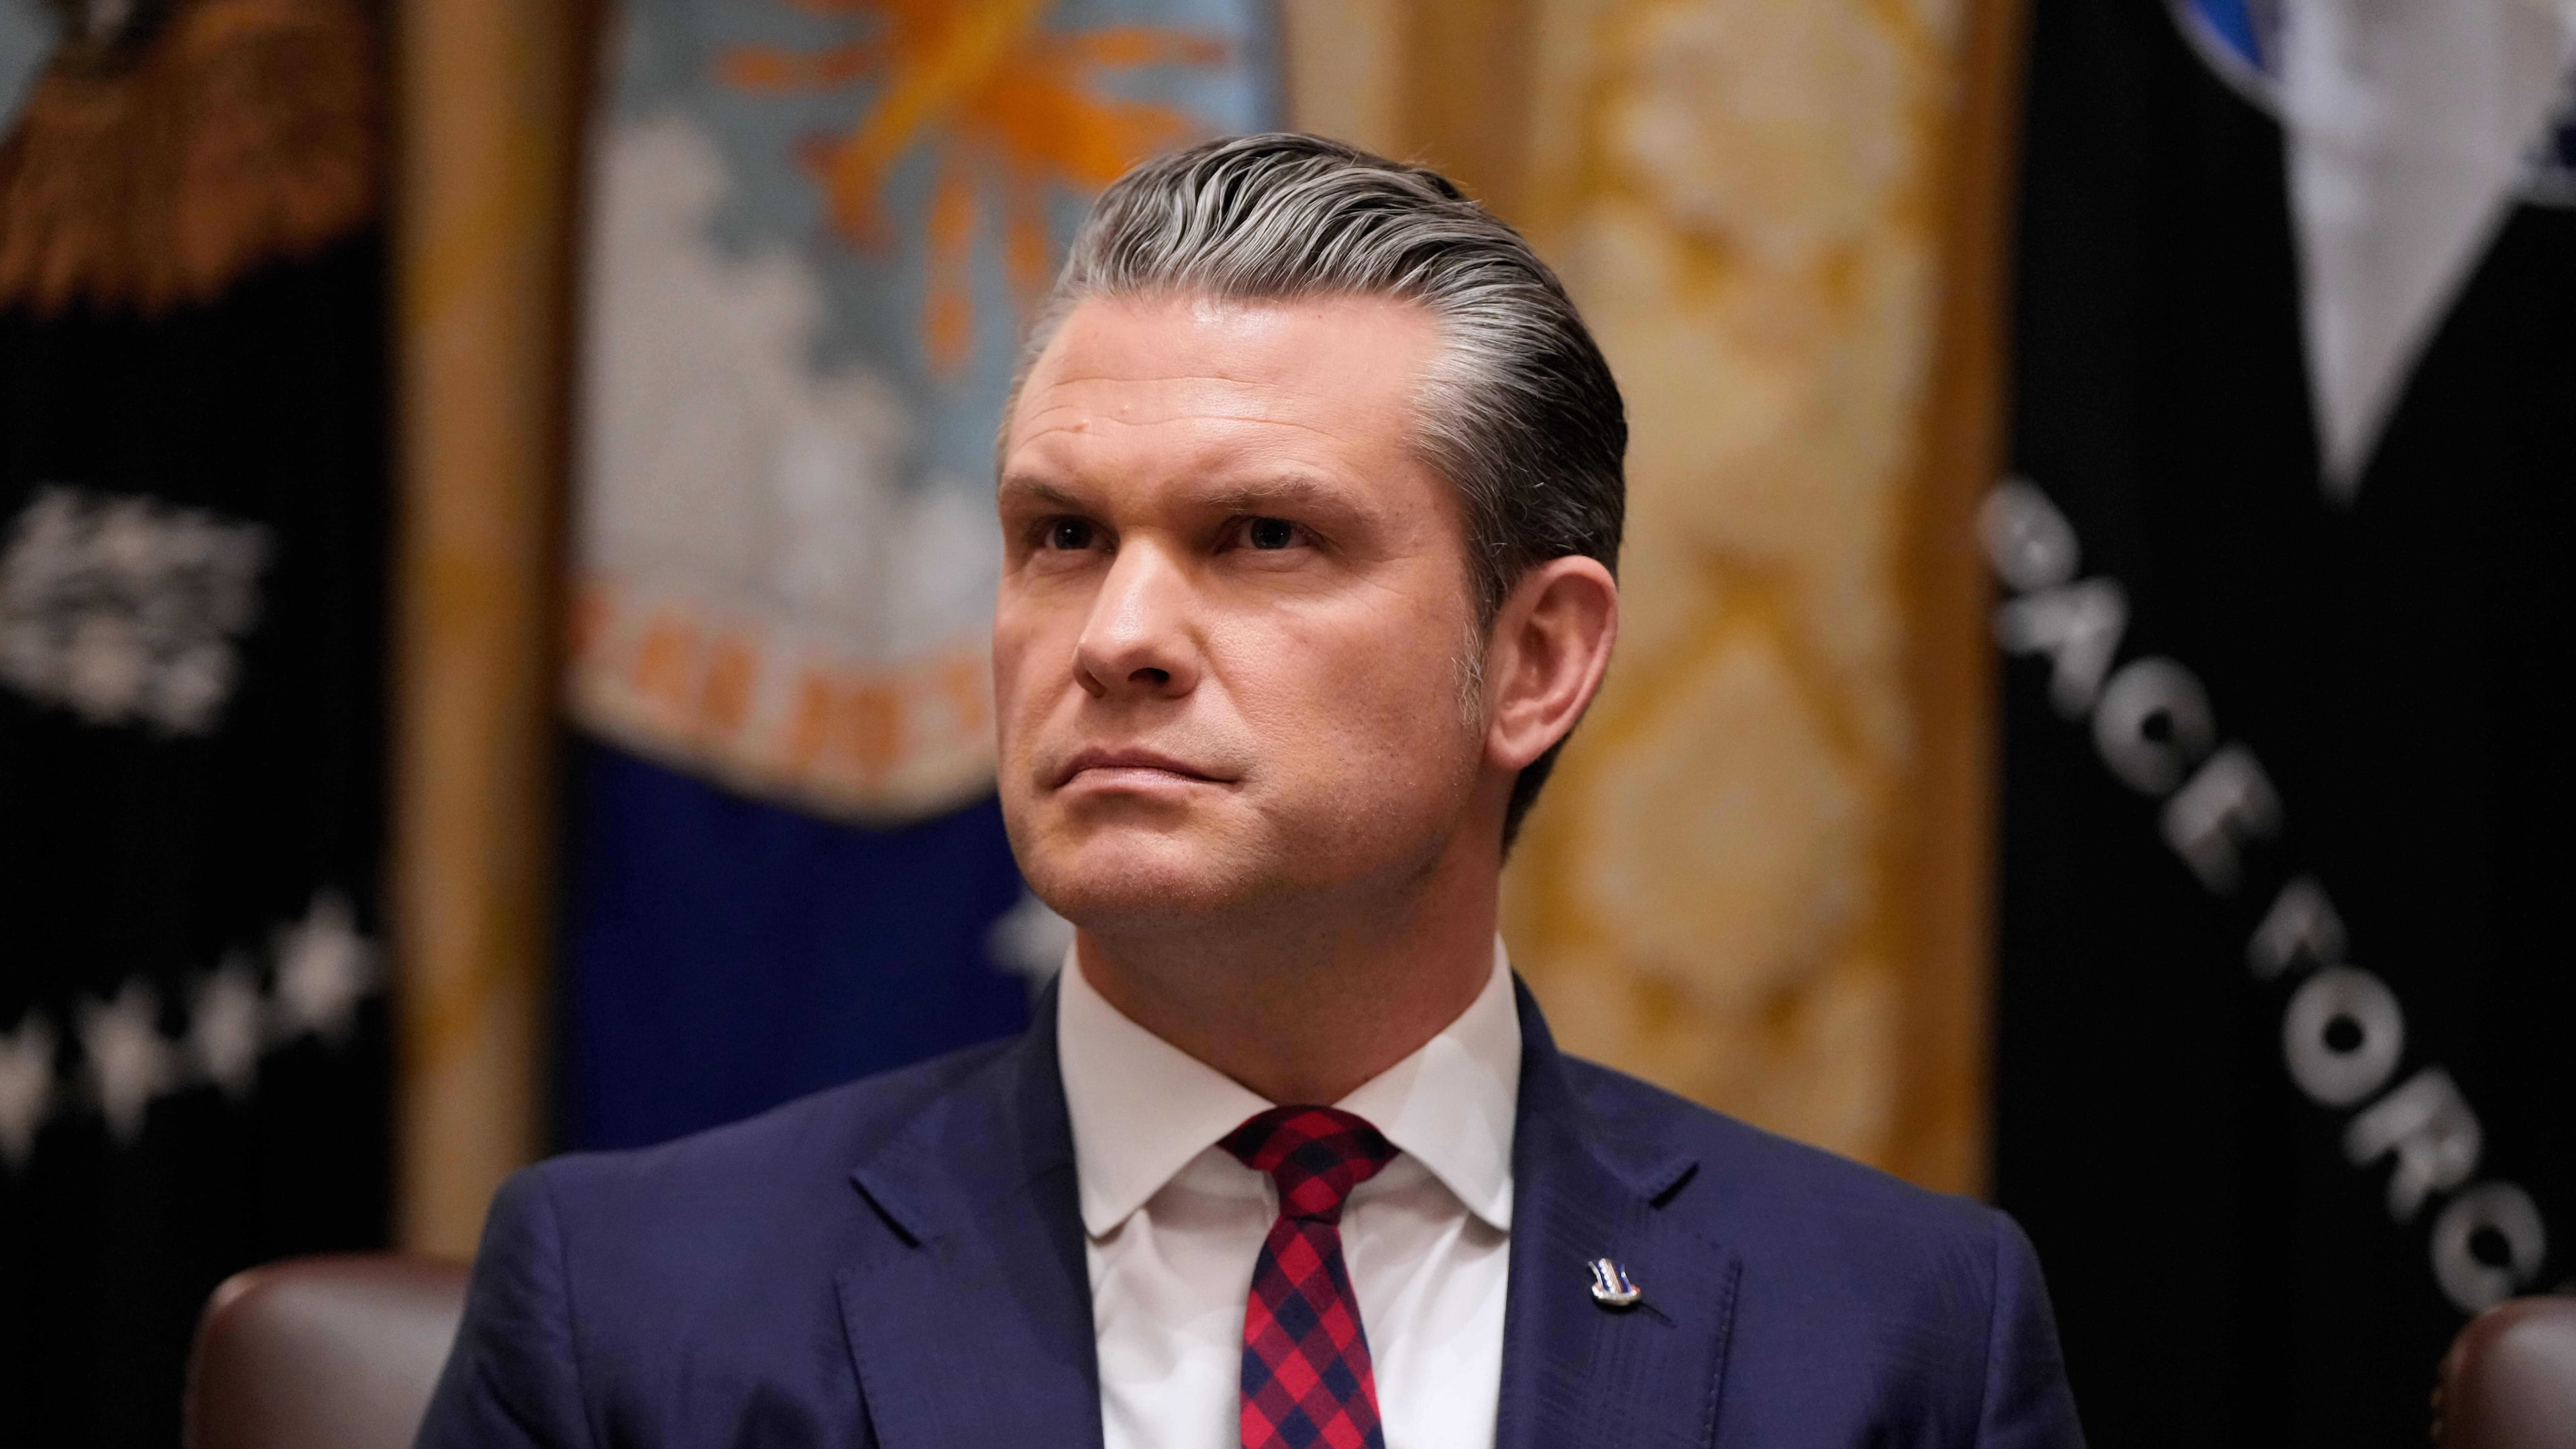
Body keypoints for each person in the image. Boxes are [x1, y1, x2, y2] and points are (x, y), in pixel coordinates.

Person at [418, 133, 2083, 1449]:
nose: (1117, 637)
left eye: (1264, 536)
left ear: (1534, 660)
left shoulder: (1896, 1335)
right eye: (1063, 537)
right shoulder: (633, 1315)